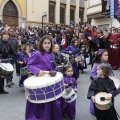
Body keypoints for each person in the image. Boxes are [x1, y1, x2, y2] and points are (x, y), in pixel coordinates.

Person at [26, 36, 62, 120]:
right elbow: (29, 65)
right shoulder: (37, 54)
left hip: (49, 79)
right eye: (45, 43)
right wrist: (38, 71)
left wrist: (54, 71)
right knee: (41, 99)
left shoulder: (51, 54)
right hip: (40, 79)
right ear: (41, 44)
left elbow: (52, 66)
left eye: (49, 43)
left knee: (51, 98)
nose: (47, 45)